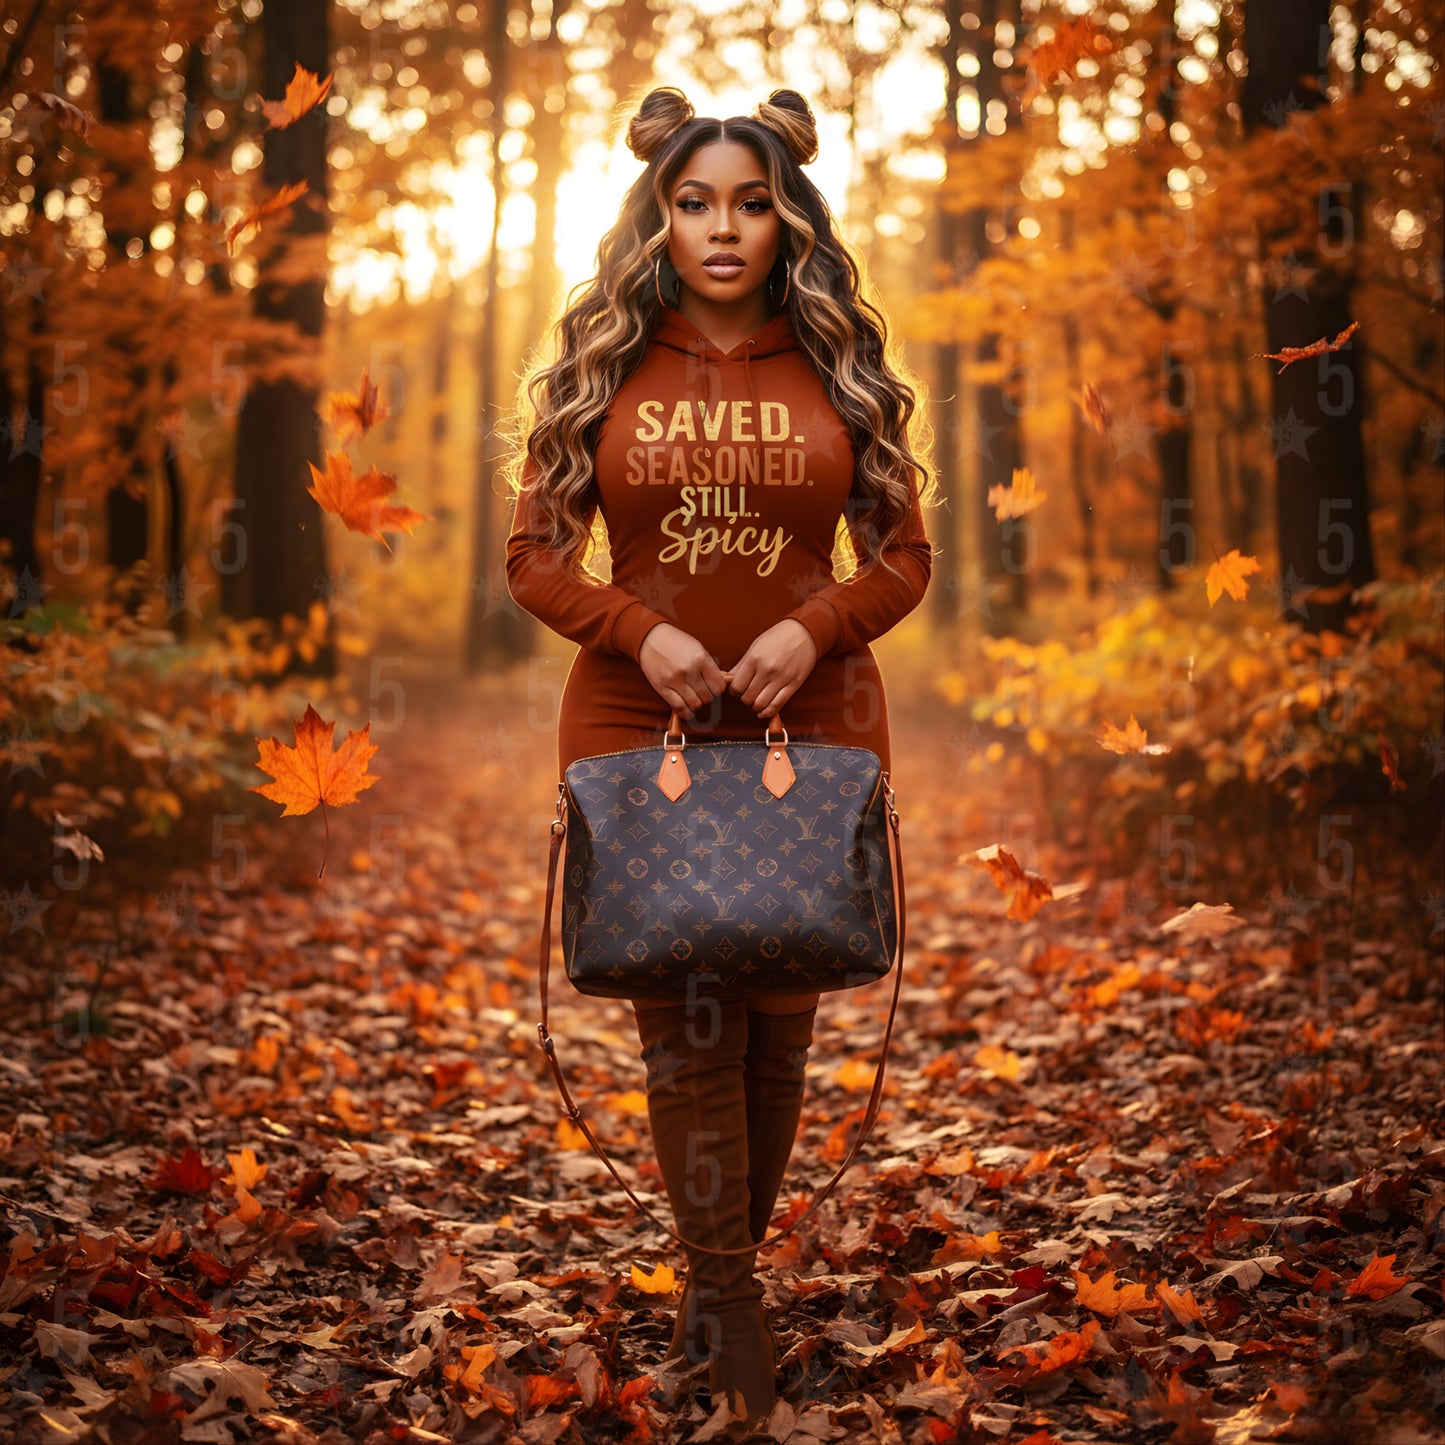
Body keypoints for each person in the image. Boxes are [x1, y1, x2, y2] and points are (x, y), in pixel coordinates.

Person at [504, 84, 938, 1431]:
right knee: (685, 1023)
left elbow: (906, 560)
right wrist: (638, 630)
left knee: (775, 1028)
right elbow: (531, 558)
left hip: (813, 723)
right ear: (658, 213)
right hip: (641, 728)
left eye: (751, 200)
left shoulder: (837, 369)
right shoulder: (603, 364)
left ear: (788, 212)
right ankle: (732, 1309)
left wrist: (814, 628)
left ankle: (710, 1285)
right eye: (695, 202)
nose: (723, 227)